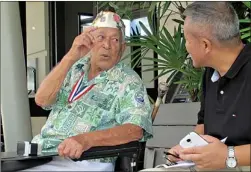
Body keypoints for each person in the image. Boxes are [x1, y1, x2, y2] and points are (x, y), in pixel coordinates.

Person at [24, 11, 153, 171]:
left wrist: (85, 140)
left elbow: (135, 130)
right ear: (90, 41)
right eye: (101, 37)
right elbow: (42, 100)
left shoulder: (128, 80)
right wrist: (71, 56)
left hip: (86, 159)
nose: (107, 45)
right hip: (43, 154)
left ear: (122, 48)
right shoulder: (74, 68)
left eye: (115, 40)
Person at [141, 2, 250, 172]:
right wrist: (185, 148)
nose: (185, 46)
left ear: (205, 45)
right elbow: (204, 122)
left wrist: (229, 155)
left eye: (187, 40)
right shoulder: (211, 72)